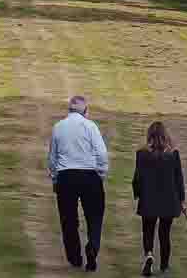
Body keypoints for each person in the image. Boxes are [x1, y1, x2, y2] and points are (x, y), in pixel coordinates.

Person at [48, 95, 109, 271]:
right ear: (86, 111)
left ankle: (75, 258)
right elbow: (101, 154)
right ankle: (93, 247)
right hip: (89, 175)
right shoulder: (90, 126)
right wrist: (101, 174)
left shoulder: (58, 127)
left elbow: (52, 158)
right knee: (95, 217)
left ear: (69, 110)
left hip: (66, 177)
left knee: (68, 220)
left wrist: (55, 177)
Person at [131, 121, 185, 275]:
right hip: (169, 200)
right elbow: (178, 179)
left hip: (148, 199)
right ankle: (164, 265)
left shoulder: (141, 154)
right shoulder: (173, 154)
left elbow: (137, 178)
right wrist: (181, 200)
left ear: (149, 136)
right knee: (164, 233)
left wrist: (138, 193)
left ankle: (149, 254)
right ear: (165, 135)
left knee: (148, 230)